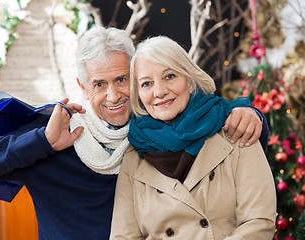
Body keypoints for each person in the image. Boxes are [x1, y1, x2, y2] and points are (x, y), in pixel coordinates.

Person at [0, 27, 268, 240]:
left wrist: (250, 114)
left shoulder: (155, 133)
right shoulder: (56, 131)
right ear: (82, 87)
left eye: (122, 80)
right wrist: (42, 142)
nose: (113, 95)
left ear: (137, 78)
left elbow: (223, 135)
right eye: (99, 84)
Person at [110, 36, 276, 240]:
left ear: (189, 82)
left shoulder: (235, 129)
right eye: (146, 84)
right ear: (139, 96)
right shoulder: (133, 157)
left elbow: (259, 223)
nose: (159, 91)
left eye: (169, 76)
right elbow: (123, 237)